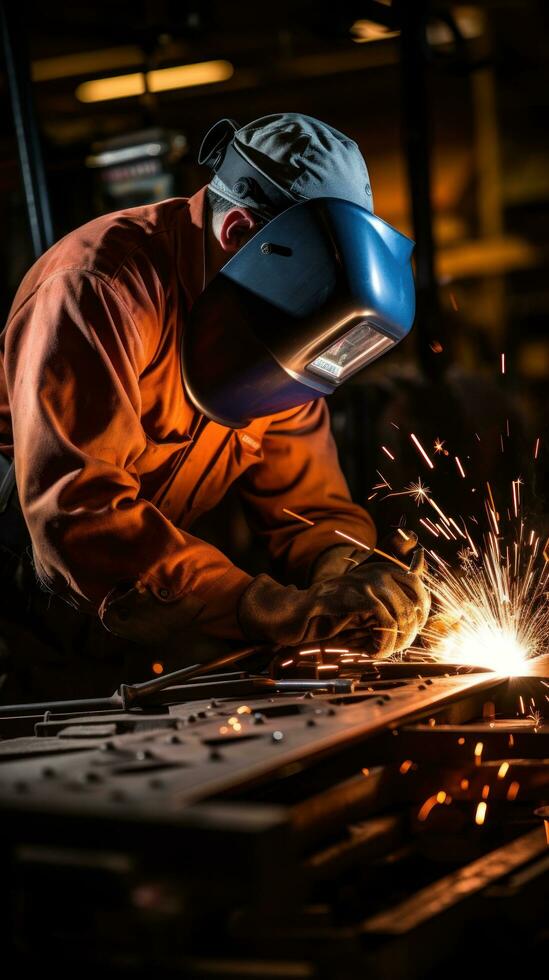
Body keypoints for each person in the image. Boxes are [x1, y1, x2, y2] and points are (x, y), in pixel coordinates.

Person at [0, 112, 430, 704]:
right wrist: (264, 608)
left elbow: (306, 504)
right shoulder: (100, 288)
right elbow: (79, 515)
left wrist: (347, 570)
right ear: (237, 234)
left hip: (139, 617)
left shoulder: (282, 327)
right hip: (21, 616)